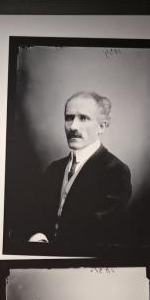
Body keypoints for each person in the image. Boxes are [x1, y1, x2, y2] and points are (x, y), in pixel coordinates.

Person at [28, 92, 132, 251]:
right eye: (69, 118)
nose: (73, 126)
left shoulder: (115, 172)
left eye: (83, 118)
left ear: (102, 126)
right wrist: (38, 238)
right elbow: (36, 215)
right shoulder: (54, 169)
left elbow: (101, 233)